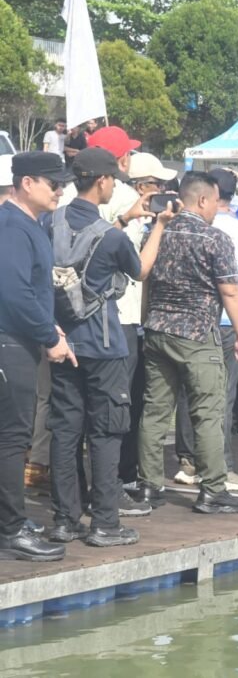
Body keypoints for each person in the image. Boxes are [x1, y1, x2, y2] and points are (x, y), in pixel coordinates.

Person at [46, 147, 172, 546]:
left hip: (62, 343)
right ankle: (104, 523)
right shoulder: (113, 237)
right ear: (101, 180)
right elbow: (141, 270)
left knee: (65, 432)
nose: (114, 186)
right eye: (113, 180)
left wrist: (125, 217)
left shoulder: (51, 222)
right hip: (103, 347)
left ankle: (65, 520)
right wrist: (159, 226)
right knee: (106, 433)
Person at [133, 171, 238, 514]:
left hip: (157, 330)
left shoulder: (157, 232)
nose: (217, 208)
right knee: (208, 414)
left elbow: (145, 281)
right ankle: (213, 489)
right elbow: (230, 291)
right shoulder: (215, 238)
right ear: (201, 200)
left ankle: (149, 485)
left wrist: (148, 320)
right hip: (197, 335)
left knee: (155, 412)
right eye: (215, 201)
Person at [0, 152, 76, 562]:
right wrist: (48, 334)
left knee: (12, 437)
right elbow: (12, 291)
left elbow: (29, 289)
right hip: (9, 343)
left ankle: (9, 521)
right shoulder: (13, 226)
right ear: (27, 183)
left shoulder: (26, 224)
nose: (60, 191)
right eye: (53, 183)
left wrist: (49, 325)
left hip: (18, 340)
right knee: (12, 439)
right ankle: (11, 530)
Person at [173, 169, 238, 489]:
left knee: (187, 391)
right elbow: (237, 286)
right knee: (222, 395)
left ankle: (188, 460)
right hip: (225, 323)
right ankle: (221, 465)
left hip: (188, 321)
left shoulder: (182, 225)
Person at [116, 152, 178, 490]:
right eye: (157, 185)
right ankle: (122, 475)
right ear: (141, 187)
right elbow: (139, 270)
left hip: (140, 323)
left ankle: (130, 471)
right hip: (124, 320)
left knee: (139, 400)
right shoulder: (126, 218)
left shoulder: (145, 222)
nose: (163, 192)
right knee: (126, 400)